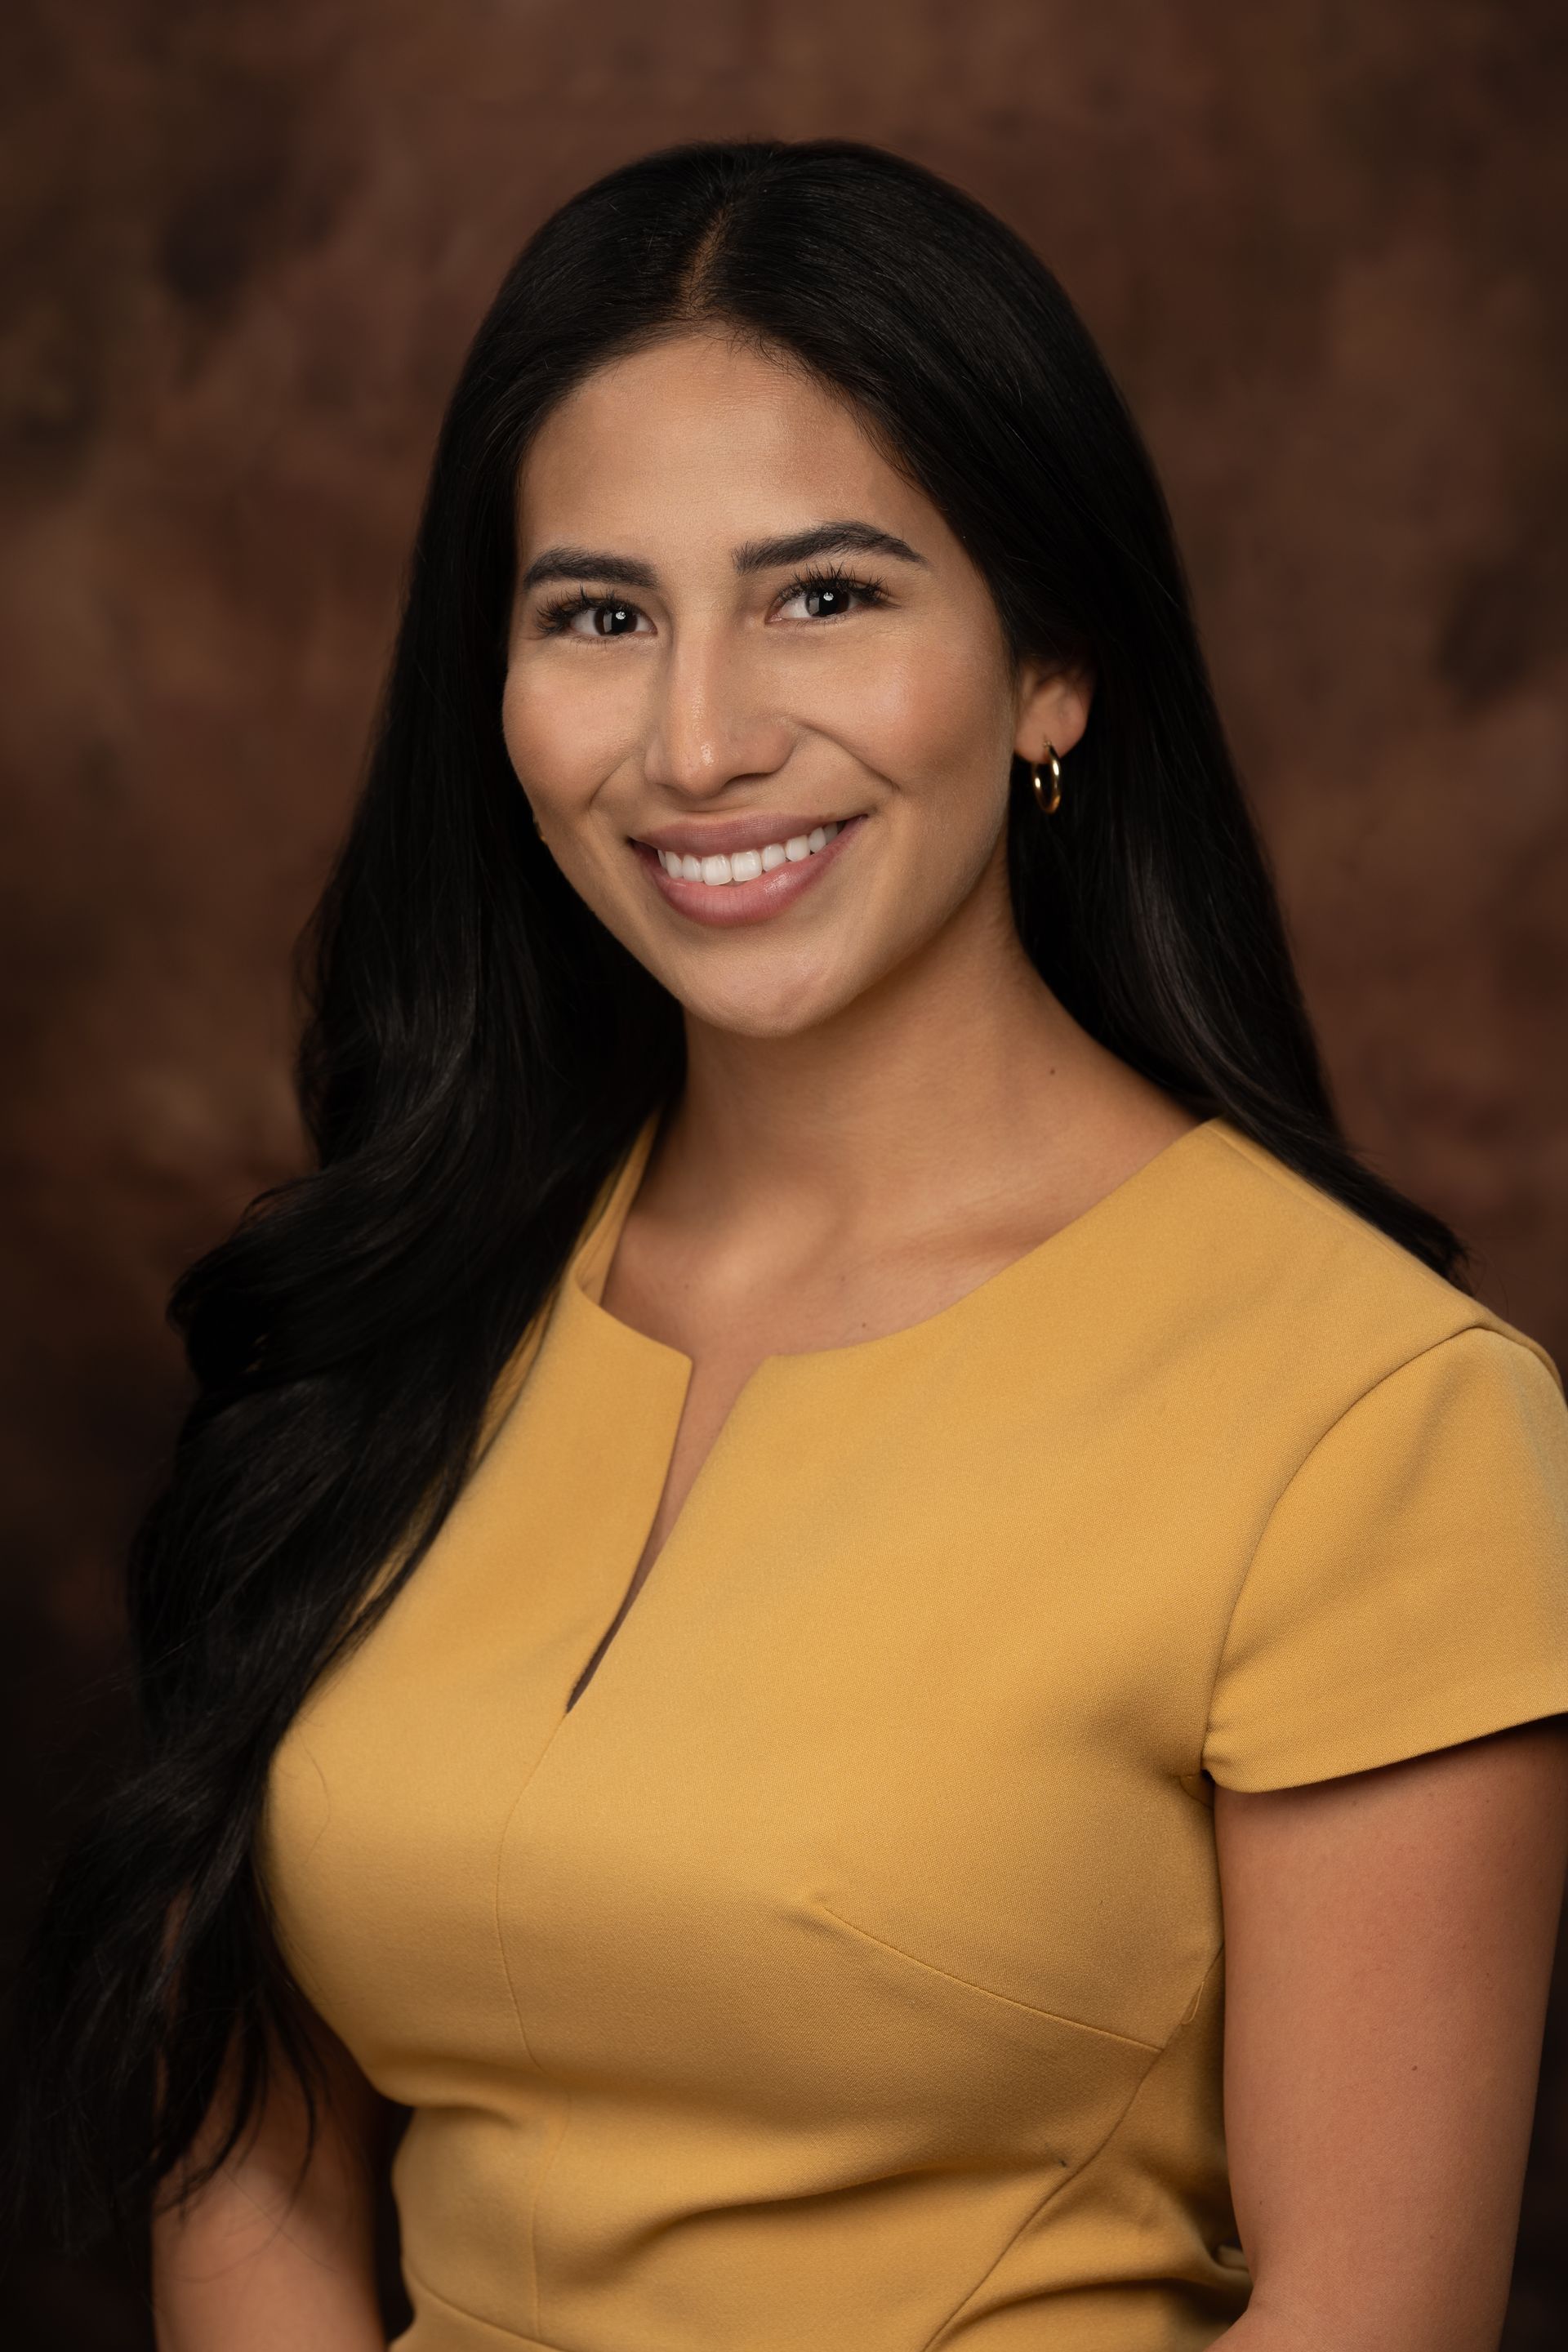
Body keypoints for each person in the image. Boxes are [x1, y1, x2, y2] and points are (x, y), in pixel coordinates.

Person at [14, 139, 1568, 2352]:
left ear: (1051, 671)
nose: (702, 740)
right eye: (600, 614)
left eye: (825, 594)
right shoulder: (402, 1297)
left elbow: (1371, 2319)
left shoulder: (1374, 1416)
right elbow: (248, 2157)